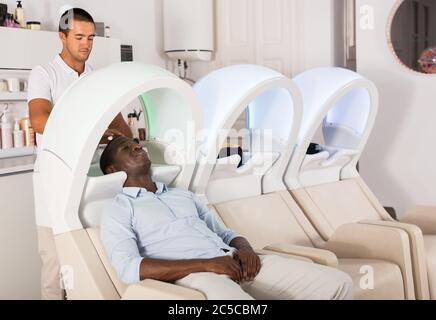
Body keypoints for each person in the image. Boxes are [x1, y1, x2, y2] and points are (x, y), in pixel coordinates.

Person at [99, 136, 354, 300]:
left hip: (236, 262)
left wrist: (245, 249)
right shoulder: (119, 209)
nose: (137, 146)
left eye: (136, 143)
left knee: (338, 284)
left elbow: (226, 234)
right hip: (193, 277)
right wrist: (207, 265)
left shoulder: (182, 195)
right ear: (112, 169)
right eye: (126, 148)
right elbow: (130, 268)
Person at [27, 8, 132, 300]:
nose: (85, 44)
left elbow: (122, 127)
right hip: (53, 181)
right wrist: (96, 130)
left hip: (90, 180)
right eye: (78, 37)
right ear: (62, 37)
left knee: (89, 260)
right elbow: (40, 121)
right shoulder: (44, 74)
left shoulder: (96, 79)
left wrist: (114, 129)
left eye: (90, 38)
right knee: (55, 265)